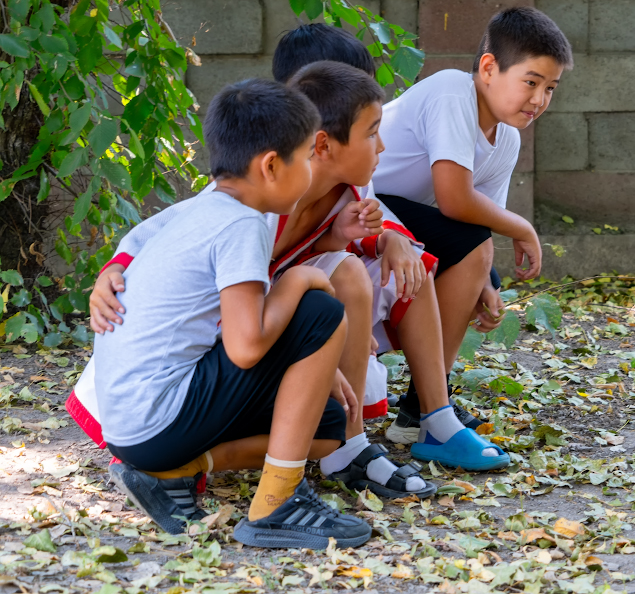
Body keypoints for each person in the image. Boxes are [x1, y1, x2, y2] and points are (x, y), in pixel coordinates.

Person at [82, 35, 510, 479]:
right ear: (318, 139)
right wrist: (113, 269)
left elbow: (350, 230)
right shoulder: (250, 200)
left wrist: (376, 239)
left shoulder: (336, 184)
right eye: (371, 130)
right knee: (322, 302)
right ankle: (278, 493)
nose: (381, 145)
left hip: (247, 317)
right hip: (203, 347)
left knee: (378, 273)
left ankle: (407, 427)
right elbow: (162, 234)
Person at [95, 79, 372, 548]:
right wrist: (301, 278)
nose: (309, 170)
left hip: (131, 428)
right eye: (305, 157)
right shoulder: (243, 224)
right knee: (320, 312)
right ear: (270, 165)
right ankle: (277, 505)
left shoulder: (204, 210)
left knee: (328, 428)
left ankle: (172, 475)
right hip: (157, 418)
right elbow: (246, 348)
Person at [374, 7, 572, 443]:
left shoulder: (508, 141)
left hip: (412, 221)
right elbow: (455, 199)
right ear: (488, 68)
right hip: (364, 206)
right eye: (531, 82)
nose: (539, 99)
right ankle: (430, 409)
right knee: (477, 252)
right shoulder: (451, 91)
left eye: (550, 89)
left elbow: (475, 220)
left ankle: (420, 407)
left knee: (487, 270)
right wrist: (523, 227)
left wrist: (484, 281)